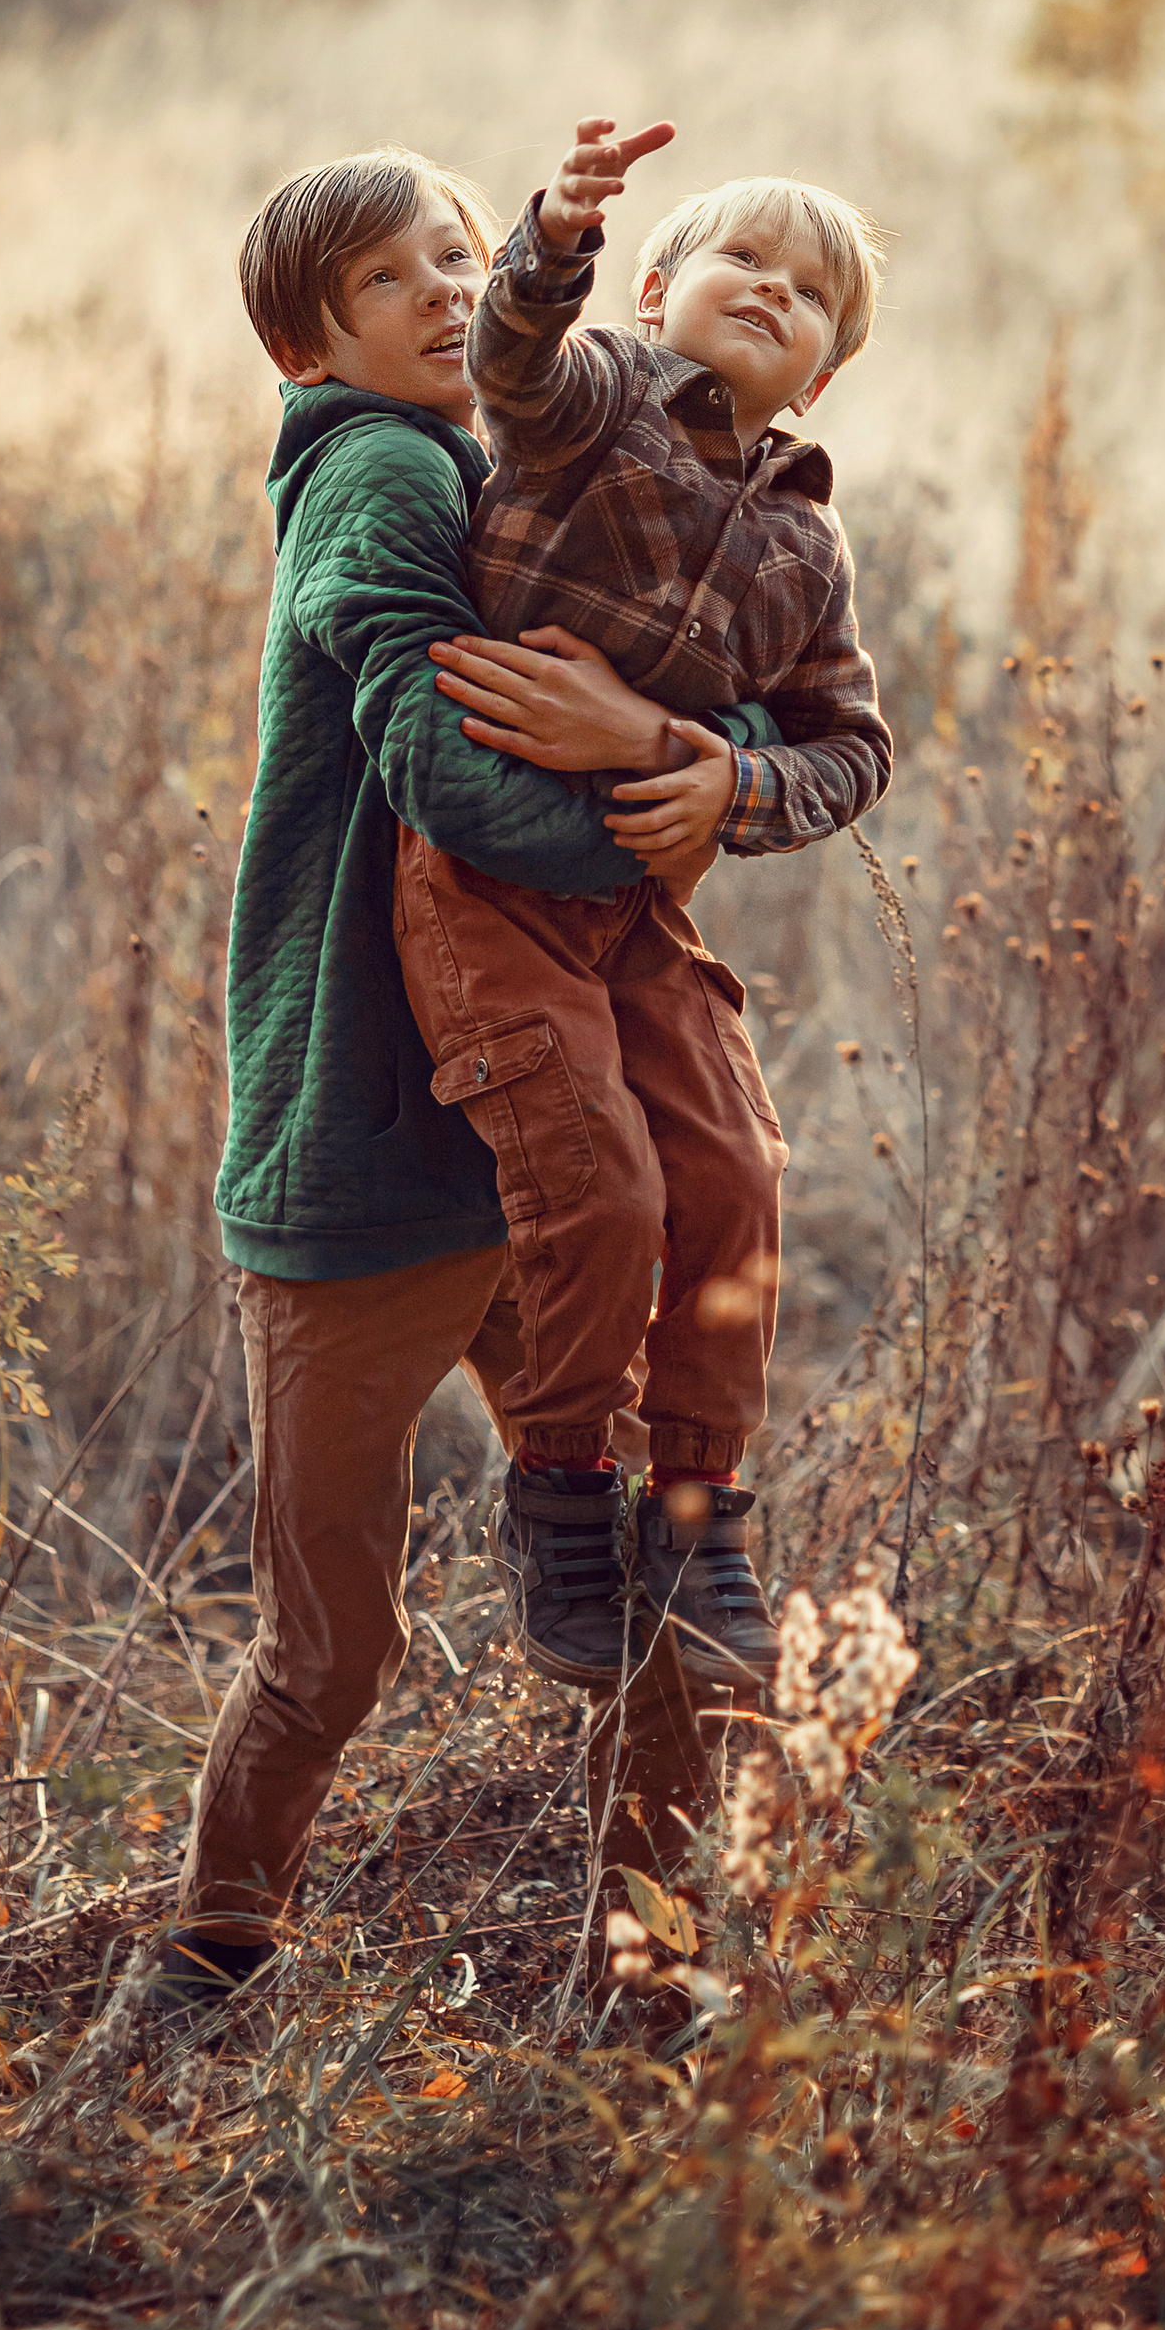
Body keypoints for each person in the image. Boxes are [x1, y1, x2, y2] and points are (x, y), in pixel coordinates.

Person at [165, 144, 774, 2016]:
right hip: (370, 1144)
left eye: (452, 252)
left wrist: (700, 751)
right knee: (333, 1640)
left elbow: (727, 666)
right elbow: (434, 758)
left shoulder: (523, 457)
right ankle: (207, 1966)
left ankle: (647, 1973)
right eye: (387, 283)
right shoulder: (375, 467)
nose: (441, 293)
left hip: (538, 1132)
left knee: (595, 1593)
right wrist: (660, 821)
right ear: (312, 348)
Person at [397, 113, 892, 1705]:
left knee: (738, 1170)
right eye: (741, 256)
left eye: (810, 292)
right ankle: (558, 1499)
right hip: (489, 890)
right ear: (661, 285)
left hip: (642, 911)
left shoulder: (809, 543)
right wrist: (555, 234)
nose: (772, 289)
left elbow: (851, 748)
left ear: (820, 376)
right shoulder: (593, 404)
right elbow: (514, 358)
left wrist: (725, 785)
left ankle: (698, 1510)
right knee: (599, 1184)